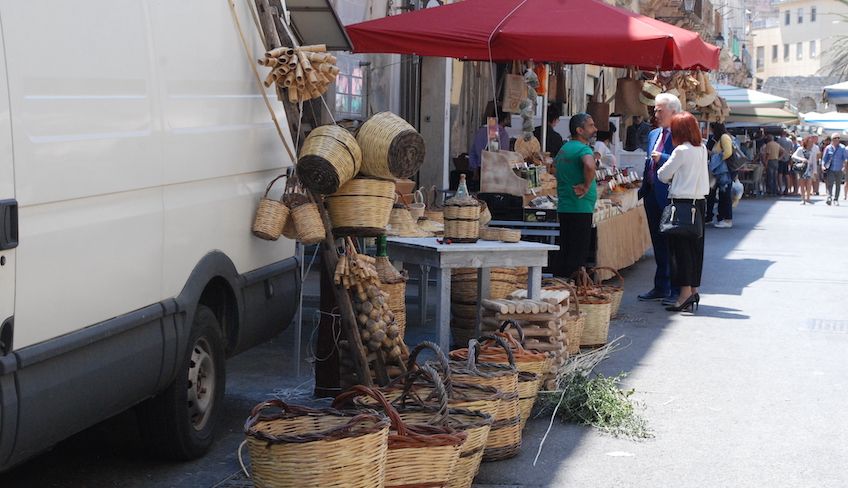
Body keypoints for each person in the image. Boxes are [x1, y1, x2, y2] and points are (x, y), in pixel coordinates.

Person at [657, 112, 709, 313]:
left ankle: (684, 295)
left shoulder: (681, 150)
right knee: (695, 250)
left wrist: (674, 177)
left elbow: (663, 174)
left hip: (681, 204)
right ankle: (693, 290)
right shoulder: (701, 148)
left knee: (680, 251)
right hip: (699, 204)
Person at [637, 93, 681, 305]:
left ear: (673, 112)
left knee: (672, 244)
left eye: (659, 110)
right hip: (652, 194)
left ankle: (675, 288)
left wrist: (661, 158)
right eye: (654, 110)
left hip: (671, 195)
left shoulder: (682, 134)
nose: (655, 114)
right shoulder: (654, 134)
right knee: (658, 242)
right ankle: (660, 285)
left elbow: (682, 162)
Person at [555, 113, 597, 278]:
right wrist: (586, 186)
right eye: (591, 126)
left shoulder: (564, 148)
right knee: (578, 254)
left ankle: (563, 287)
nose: (595, 129)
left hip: (566, 205)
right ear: (580, 130)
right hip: (580, 207)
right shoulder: (583, 149)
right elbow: (589, 164)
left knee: (566, 250)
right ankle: (574, 291)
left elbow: (553, 168)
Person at [705, 122, 735, 228]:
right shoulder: (720, 138)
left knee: (725, 195)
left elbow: (728, 152)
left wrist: (715, 158)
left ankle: (727, 219)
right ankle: (718, 218)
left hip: (723, 171)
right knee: (717, 194)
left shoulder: (724, 137)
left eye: (712, 128)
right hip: (719, 171)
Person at [469, 104, 510, 176]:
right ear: (505, 119)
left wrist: (475, 169)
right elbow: (501, 155)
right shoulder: (500, 133)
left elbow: (472, 152)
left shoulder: (481, 130)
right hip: (493, 172)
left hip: (479, 170)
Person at [822, 133, 847, 205]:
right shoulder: (828, 148)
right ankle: (829, 197)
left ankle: (836, 199)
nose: (837, 140)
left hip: (839, 169)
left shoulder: (842, 148)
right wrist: (823, 166)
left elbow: (845, 158)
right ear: (832, 139)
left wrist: (844, 167)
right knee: (830, 184)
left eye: (838, 138)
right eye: (835, 138)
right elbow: (824, 158)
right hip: (831, 169)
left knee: (838, 185)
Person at [791, 137, 816, 205]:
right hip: (802, 169)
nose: (811, 144)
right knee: (802, 184)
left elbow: (814, 162)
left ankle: (808, 198)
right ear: (806, 143)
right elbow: (793, 156)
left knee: (809, 184)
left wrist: (815, 172)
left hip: (809, 169)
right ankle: (803, 199)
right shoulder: (800, 149)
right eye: (810, 142)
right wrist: (802, 159)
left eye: (812, 143)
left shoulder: (812, 151)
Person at [776, 131, 794, 195]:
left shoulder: (779, 140)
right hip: (787, 159)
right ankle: (787, 189)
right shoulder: (790, 141)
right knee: (787, 175)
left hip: (780, 159)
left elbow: (777, 149)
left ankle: (780, 189)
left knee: (780, 174)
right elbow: (792, 150)